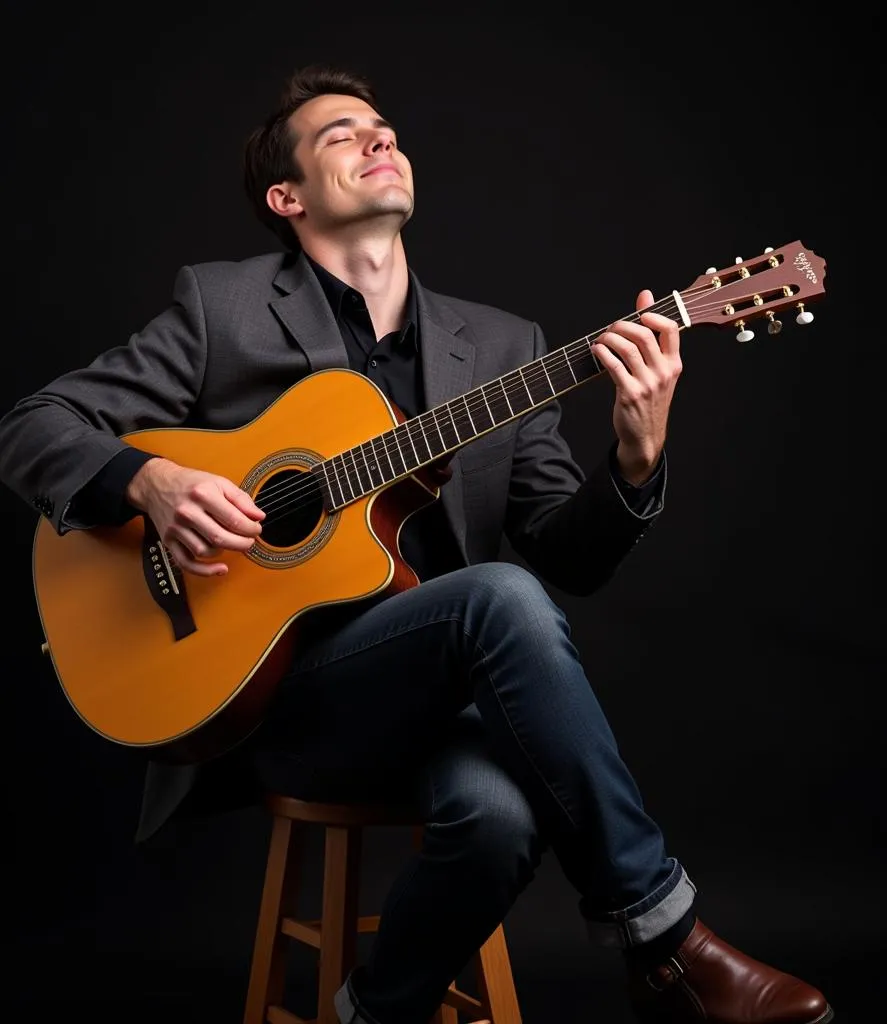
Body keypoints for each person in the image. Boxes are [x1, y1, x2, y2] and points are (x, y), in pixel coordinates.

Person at [0, 65, 834, 1024]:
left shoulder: (508, 348)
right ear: (288, 196)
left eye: (385, 127)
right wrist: (151, 482)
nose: (380, 139)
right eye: (342, 135)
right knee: (500, 597)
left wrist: (636, 460)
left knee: (499, 818)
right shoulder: (218, 308)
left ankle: (368, 1014)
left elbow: (572, 555)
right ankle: (666, 937)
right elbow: (34, 425)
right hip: (274, 702)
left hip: (445, 699)